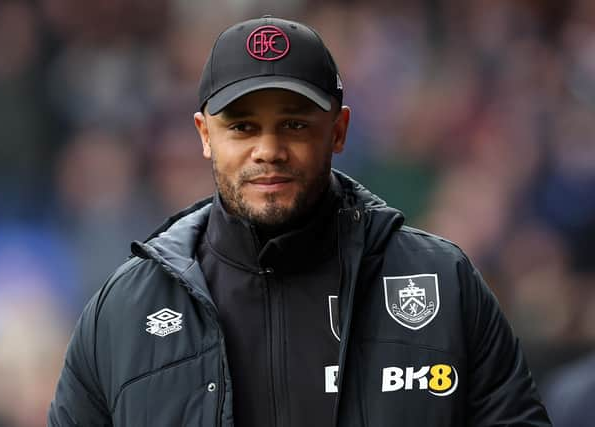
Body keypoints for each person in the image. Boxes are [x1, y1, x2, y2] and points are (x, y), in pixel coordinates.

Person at [48, 16, 551, 427]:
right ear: (204, 135)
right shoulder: (123, 313)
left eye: (294, 124)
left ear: (339, 130)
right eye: (243, 127)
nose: (269, 150)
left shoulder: (444, 284)